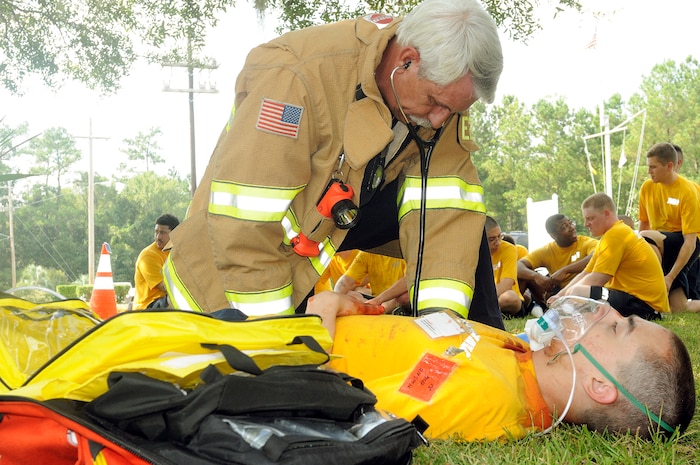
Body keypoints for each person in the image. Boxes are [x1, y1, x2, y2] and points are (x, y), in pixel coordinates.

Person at [163, 0, 505, 329]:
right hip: (234, 263)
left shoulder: (437, 95)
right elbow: (242, 227)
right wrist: (273, 336)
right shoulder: (294, 78)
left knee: (464, 219)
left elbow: (447, 213)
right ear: (407, 60)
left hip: (332, 219)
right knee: (280, 366)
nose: (439, 120)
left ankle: (479, 352)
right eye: (434, 102)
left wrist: (442, 327)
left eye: (454, 110)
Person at [306, 291, 695, 442]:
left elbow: (327, 411)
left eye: (615, 327)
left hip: (268, 349)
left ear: (599, 386)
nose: (604, 310)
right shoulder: (517, 354)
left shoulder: (485, 397)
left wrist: (321, 319)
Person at [551, 193, 669, 320]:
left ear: (607, 214)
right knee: (576, 293)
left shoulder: (616, 235)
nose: (586, 224)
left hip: (645, 307)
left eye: (590, 218)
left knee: (578, 292)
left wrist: (565, 298)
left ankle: (564, 322)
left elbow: (597, 280)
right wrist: (559, 296)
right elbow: (586, 273)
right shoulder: (612, 235)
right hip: (640, 302)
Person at [638, 142, 700, 312]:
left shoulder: (688, 191)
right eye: (648, 166)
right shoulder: (647, 187)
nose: (649, 171)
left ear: (670, 166)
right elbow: (644, 222)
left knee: (646, 236)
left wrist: (670, 277)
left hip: (686, 243)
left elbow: (690, 242)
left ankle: (651, 294)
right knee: (678, 308)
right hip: (660, 241)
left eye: (653, 167)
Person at [517, 214, 597, 307]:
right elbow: (518, 266)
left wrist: (565, 270)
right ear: (554, 235)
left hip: (582, 289)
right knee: (524, 276)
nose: (571, 228)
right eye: (564, 227)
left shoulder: (586, 242)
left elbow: (597, 256)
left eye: (570, 223)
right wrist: (536, 276)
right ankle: (520, 308)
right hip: (557, 292)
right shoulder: (547, 250)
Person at [133, 214, 180, 310]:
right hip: (148, 306)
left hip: (164, 301)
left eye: (163, 233)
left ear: (175, 234)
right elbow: (165, 287)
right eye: (156, 232)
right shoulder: (148, 256)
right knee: (178, 299)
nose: (158, 237)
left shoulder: (178, 252)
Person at [486, 216, 525, 316]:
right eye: (491, 239)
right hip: (486, 299)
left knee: (510, 297)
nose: (498, 243)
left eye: (500, 236)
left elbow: (507, 284)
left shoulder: (509, 249)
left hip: (504, 298)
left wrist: (483, 302)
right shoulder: (472, 254)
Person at [333, 250, 406, 298]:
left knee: (405, 297)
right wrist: (335, 299)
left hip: (398, 298)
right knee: (352, 295)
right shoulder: (366, 253)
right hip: (377, 299)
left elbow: (407, 282)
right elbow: (346, 281)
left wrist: (379, 300)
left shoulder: (406, 252)